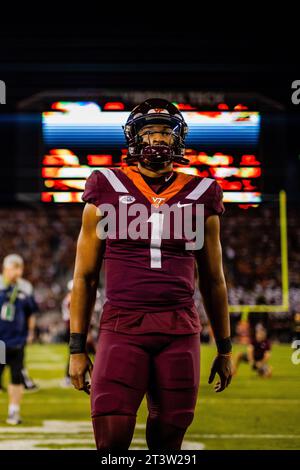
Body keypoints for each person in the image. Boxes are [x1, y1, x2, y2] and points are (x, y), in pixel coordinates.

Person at [69, 98, 233, 450]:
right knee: (111, 439)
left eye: (165, 132)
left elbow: (214, 279)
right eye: (149, 132)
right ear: (133, 138)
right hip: (122, 325)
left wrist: (225, 348)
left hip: (180, 328)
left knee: (169, 440)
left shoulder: (203, 192)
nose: (157, 140)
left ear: (179, 141)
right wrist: (76, 348)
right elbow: (84, 276)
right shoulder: (105, 185)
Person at [0, 254, 39, 424]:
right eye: (13, 268)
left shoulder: (25, 288)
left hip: (17, 341)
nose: (16, 272)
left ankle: (13, 412)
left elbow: (31, 313)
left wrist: (30, 332)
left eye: (19, 268)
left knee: (17, 376)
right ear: (5, 269)